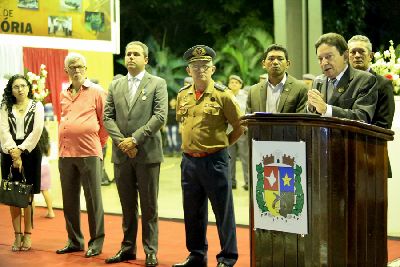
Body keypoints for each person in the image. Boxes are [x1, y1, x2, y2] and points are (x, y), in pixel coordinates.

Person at [173, 45, 244, 267]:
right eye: (195, 66)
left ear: (212, 69)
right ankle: (196, 254)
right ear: (188, 70)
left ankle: (228, 257)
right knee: (192, 210)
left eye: (204, 65)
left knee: (223, 211)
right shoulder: (183, 95)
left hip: (215, 160)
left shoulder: (223, 95)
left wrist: (221, 146)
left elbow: (239, 127)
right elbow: (183, 124)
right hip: (189, 161)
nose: (200, 69)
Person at [103, 41, 168, 266]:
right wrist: (123, 142)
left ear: (145, 59)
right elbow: (107, 117)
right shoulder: (115, 85)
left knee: (150, 206)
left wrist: (135, 139)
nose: (131, 57)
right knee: (127, 206)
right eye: (128, 54)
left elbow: (160, 116)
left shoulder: (157, 83)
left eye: (136, 54)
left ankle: (150, 250)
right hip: (122, 155)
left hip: (147, 154)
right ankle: (128, 249)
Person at [56, 52, 108, 258]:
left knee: (93, 199)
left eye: (80, 67)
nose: (77, 70)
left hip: (89, 152)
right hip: (66, 153)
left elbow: (105, 123)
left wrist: (98, 144)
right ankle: (75, 240)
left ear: (86, 70)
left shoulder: (97, 92)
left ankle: (96, 242)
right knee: (69, 200)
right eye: (73, 67)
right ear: (66, 70)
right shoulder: (63, 94)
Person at [0, 74, 44, 251]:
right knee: (13, 196)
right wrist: (13, 151)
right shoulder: (5, 106)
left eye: (23, 86)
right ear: (11, 90)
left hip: (30, 153)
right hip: (9, 153)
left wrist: (21, 150)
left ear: (28, 88)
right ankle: (17, 235)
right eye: (16, 86)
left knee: (28, 196)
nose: (20, 89)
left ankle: (28, 235)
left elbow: (37, 130)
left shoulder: (37, 105)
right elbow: (3, 129)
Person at [348, 34, 395, 177]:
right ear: (346, 55)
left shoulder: (382, 84)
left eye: (361, 51)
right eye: (353, 52)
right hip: (344, 158)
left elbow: (383, 125)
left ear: (371, 55)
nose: (357, 55)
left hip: (372, 156)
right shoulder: (340, 84)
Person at [307, 33, 378, 122]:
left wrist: (326, 110)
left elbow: (362, 117)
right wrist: (310, 108)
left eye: (329, 57)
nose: (324, 63)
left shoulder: (365, 80)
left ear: (345, 56)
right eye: (320, 59)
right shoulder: (318, 81)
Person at [247, 44, 308, 114]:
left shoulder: (300, 88)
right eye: (271, 59)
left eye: (280, 59)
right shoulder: (253, 91)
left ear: (288, 64)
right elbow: (248, 121)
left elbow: (301, 121)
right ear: (263, 64)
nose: (275, 62)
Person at [227, 74, 249, 190]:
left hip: (241, 129)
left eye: (236, 83)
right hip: (229, 130)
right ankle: (231, 181)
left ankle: (247, 181)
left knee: (245, 156)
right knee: (230, 157)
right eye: (231, 82)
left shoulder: (245, 96)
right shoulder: (226, 95)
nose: (234, 84)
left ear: (241, 85)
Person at [37, 126, 55, 218]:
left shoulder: (33, 141)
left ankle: (27, 213)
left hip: (35, 167)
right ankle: (51, 212)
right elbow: (48, 154)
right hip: (45, 166)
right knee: (46, 191)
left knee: (29, 192)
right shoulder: (47, 143)